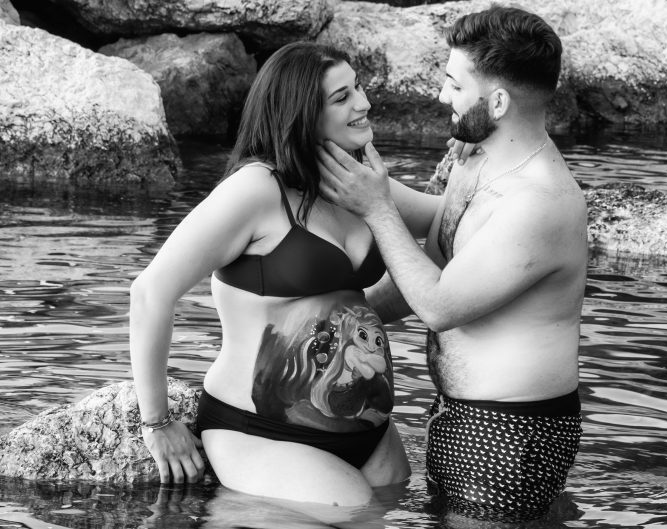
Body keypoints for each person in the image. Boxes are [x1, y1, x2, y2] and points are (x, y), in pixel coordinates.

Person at [129, 41, 442, 506]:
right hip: (260, 431)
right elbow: (150, 291)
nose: (364, 103)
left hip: (372, 437)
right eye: (342, 97)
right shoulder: (255, 190)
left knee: (394, 510)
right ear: (301, 115)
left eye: (358, 87)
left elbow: (446, 218)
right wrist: (156, 421)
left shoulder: (359, 186)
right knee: (355, 514)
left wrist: (484, 160)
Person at [317, 6, 586, 523]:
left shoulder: (541, 203)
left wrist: (377, 208)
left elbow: (438, 305)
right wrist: (328, 323)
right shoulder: (478, 159)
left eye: (455, 85)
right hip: (459, 414)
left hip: (513, 431)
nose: (443, 96)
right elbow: (431, 263)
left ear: (498, 102)